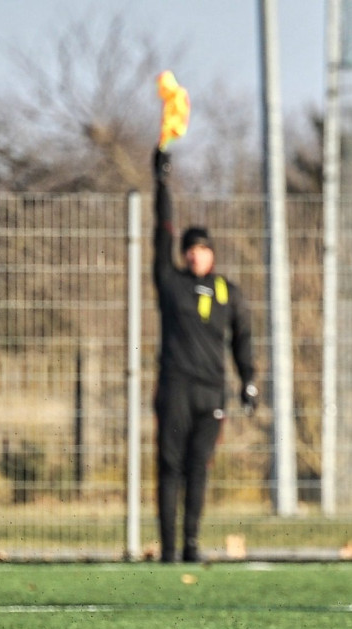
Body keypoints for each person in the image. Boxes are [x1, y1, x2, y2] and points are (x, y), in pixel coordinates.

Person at [152, 147, 257, 563]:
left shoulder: (228, 291)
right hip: (175, 388)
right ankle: (168, 549)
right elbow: (160, 233)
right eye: (189, 248)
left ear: (212, 253)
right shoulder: (169, 282)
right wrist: (161, 184)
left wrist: (247, 379)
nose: (195, 253)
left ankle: (192, 545)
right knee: (169, 467)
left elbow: (242, 339)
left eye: (202, 248)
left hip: (211, 393)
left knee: (199, 469)